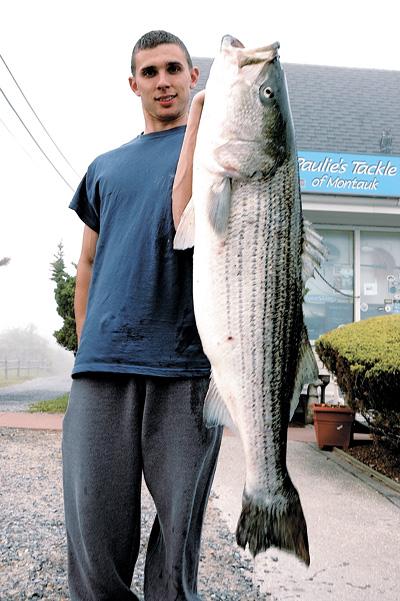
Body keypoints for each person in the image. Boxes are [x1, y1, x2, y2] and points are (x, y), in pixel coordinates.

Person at [62, 30, 222, 601]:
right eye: (150, 72)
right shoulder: (105, 167)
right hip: (102, 366)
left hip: (186, 369)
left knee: (179, 536)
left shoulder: (216, 156)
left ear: (194, 76)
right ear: (134, 84)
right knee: (93, 534)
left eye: (173, 69)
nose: (163, 81)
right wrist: (87, 342)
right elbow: (87, 258)